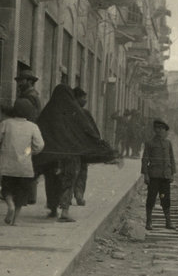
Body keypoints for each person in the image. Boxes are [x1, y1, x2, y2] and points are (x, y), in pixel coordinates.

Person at [34, 84, 119, 222]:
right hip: (71, 155)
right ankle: (65, 211)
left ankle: (53, 209)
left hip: (53, 156)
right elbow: (88, 130)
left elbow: (39, 130)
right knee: (68, 181)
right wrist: (99, 144)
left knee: (52, 182)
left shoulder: (48, 111)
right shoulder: (76, 111)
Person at [0, 99, 44, 225]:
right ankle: (15, 219)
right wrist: (29, 151)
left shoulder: (6, 123)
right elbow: (40, 145)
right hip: (24, 167)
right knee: (21, 194)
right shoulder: (33, 127)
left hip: (8, 166)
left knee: (7, 190)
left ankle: (10, 205)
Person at [142, 118, 176, 230]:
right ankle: (148, 221)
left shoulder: (168, 143)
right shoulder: (149, 143)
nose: (160, 131)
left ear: (165, 131)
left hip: (165, 176)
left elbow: (171, 159)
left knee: (165, 199)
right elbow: (145, 159)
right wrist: (145, 174)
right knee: (151, 198)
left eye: (162, 129)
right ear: (155, 130)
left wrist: (172, 174)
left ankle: (168, 221)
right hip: (154, 176)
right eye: (158, 128)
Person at [72, 87, 95, 206]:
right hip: (81, 148)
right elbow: (92, 131)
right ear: (76, 98)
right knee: (80, 172)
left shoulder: (67, 111)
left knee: (72, 172)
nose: (85, 100)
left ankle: (69, 197)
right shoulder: (85, 113)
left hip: (71, 148)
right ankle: (79, 195)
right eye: (83, 98)